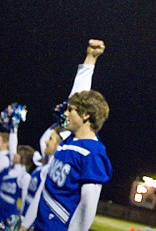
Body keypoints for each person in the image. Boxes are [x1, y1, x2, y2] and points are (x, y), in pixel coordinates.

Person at [29, 90, 112, 231]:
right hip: (40, 225)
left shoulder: (92, 153)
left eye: (70, 110)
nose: (65, 113)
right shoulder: (69, 141)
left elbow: (87, 205)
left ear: (86, 115)